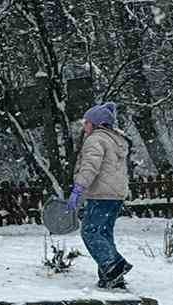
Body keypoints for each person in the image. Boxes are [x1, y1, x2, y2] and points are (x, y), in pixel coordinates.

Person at [66, 102, 132, 290]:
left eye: (86, 122)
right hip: (116, 195)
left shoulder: (95, 140)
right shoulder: (115, 139)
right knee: (104, 234)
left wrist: (78, 188)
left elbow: (90, 167)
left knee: (89, 231)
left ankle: (115, 265)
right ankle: (111, 279)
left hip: (101, 194)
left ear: (96, 123)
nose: (84, 126)